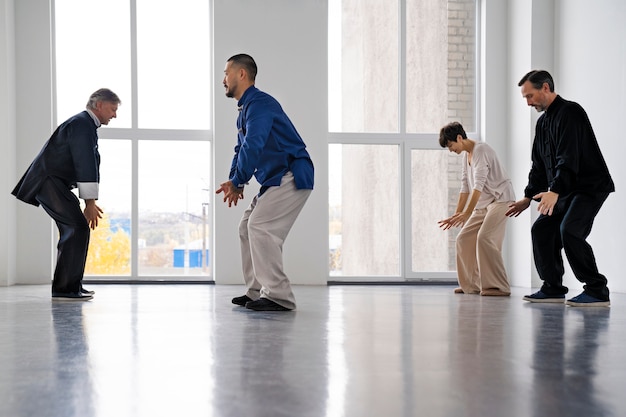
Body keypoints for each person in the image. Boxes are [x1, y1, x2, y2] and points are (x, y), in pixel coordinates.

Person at [506, 70, 614, 307]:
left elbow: (569, 157)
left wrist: (554, 190)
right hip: (564, 189)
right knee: (542, 230)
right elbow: (539, 164)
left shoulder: (571, 112)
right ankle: (553, 287)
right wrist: (527, 197)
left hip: (589, 186)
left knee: (570, 231)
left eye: (530, 95)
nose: (528, 102)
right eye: (525, 98)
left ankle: (597, 290)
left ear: (546, 87)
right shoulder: (543, 123)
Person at [216, 54, 314, 311]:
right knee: (246, 226)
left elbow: (254, 145)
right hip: (274, 178)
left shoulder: (260, 104)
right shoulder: (245, 110)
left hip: (292, 173)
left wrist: (239, 181)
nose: (223, 79)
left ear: (241, 74)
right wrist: (234, 180)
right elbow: (241, 149)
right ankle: (256, 290)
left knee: (260, 227)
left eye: (226, 73)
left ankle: (279, 296)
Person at [12, 88, 121, 301]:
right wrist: (90, 202)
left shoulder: (84, 124)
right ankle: (65, 289)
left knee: (75, 228)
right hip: (48, 182)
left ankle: (70, 286)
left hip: (52, 183)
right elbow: (85, 162)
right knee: (77, 227)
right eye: (113, 109)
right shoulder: (82, 124)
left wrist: (89, 201)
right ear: (99, 105)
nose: (114, 115)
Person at [438, 122, 515, 296]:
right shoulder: (467, 156)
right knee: (463, 239)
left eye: (450, 145)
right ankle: (471, 285)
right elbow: (465, 187)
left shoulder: (481, 150)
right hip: (484, 205)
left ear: (459, 137)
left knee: (485, 238)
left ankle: (498, 286)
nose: (450, 150)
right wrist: (458, 214)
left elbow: (477, 186)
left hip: (501, 199)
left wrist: (467, 213)